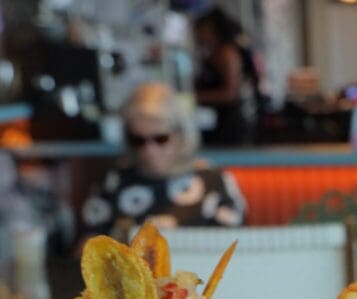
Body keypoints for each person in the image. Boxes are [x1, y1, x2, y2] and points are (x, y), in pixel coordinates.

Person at [80, 82, 247, 240]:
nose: (149, 150)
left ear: (180, 134)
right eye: (138, 140)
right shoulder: (114, 181)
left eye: (160, 139)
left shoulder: (214, 180)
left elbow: (236, 247)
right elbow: (87, 248)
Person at [193, 8, 260, 146]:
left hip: (231, 122)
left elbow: (230, 93)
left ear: (212, 29)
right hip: (218, 118)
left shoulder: (227, 53)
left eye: (200, 30)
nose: (197, 35)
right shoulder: (214, 53)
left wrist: (193, 98)